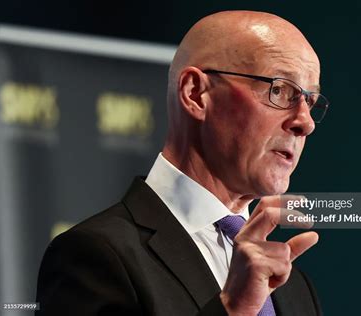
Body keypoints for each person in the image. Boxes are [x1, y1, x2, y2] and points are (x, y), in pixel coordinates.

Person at [36, 10, 329, 316]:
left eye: (310, 101)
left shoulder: (293, 287)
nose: (305, 123)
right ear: (196, 93)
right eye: (280, 90)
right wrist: (232, 309)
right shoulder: (94, 255)